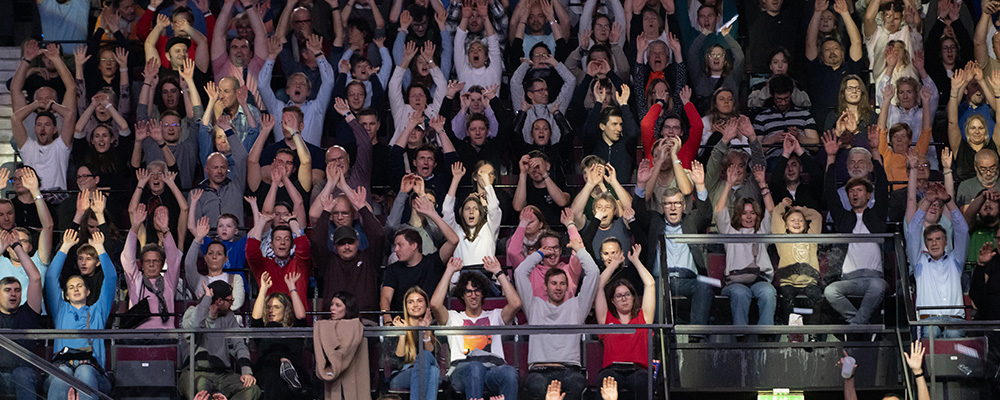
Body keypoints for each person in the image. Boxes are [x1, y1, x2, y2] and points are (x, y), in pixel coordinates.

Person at [516, 236, 599, 400]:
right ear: (545, 287)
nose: (558, 288)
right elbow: (520, 273)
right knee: (536, 387)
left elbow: (594, 272)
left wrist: (580, 250)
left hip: (569, 370)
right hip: (539, 371)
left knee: (576, 385)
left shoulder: (577, 306)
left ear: (568, 286)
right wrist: (540, 253)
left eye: (562, 283)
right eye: (554, 283)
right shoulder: (534, 306)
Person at [821, 131, 890, 325]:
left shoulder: (876, 215)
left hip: (874, 278)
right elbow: (829, 192)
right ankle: (862, 325)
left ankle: (856, 326)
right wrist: (831, 157)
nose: (854, 194)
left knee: (878, 286)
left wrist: (875, 151)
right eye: (851, 191)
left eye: (859, 190)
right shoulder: (844, 219)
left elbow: (883, 186)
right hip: (849, 279)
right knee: (830, 291)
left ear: (868, 195)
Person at [429, 256, 521, 400]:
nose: (473, 295)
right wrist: (449, 271)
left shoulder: (494, 316)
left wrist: (498, 272)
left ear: (483, 293)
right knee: (475, 367)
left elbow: (516, 304)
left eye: (477, 291)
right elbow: (434, 304)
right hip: (462, 371)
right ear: (462, 295)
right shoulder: (453, 317)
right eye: (469, 292)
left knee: (509, 371)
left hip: (492, 370)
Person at [44, 229, 115, 400]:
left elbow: (111, 278)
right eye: (71, 287)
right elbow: (51, 277)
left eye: (79, 286)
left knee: (84, 371)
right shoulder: (61, 309)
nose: (76, 289)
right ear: (66, 295)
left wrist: (100, 249)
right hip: (62, 366)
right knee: (63, 373)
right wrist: (65, 246)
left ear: (88, 291)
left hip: (93, 372)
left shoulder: (98, 310)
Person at [381, 195, 460, 320]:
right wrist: (388, 323)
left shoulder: (433, 262)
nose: (395, 249)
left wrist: (431, 213)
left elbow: (454, 240)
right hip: (402, 325)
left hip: (432, 323)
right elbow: (385, 298)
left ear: (414, 245)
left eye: (400, 245)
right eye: (395, 245)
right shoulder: (393, 269)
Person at [716, 164, 776, 327]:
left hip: (760, 280)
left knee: (768, 293)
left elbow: (771, 212)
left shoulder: (762, 231)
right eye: (744, 213)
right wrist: (728, 184)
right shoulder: (730, 231)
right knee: (741, 294)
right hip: (736, 282)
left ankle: (765, 336)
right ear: (738, 215)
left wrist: (763, 185)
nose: (748, 217)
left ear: (757, 216)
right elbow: (720, 212)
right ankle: (741, 337)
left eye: (752, 213)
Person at [179, 280, 260, 400]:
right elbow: (195, 326)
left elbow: (239, 344)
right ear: (219, 301)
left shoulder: (229, 317)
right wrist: (207, 299)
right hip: (195, 372)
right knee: (202, 389)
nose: (232, 304)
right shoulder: (192, 312)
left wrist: (246, 371)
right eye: (230, 300)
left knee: (252, 389)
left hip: (222, 374)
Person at [311, 188, 385, 317]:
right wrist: (326, 212)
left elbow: (378, 235)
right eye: (341, 243)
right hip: (333, 323)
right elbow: (316, 241)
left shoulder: (369, 259)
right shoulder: (329, 262)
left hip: (365, 322)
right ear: (335, 247)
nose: (346, 247)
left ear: (357, 243)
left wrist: (362, 208)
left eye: (350, 242)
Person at [594, 244, 654, 400]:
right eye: (619, 296)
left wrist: (635, 261)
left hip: (638, 370)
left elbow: (650, 284)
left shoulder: (644, 317)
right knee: (604, 381)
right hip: (612, 370)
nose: (624, 298)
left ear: (633, 297)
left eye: (627, 294)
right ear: (612, 301)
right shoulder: (607, 319)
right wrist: (614, 264)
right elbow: (598, 285)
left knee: (642, 382)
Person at [910, 185, 968, 339]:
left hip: (954, 320)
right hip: (929, 320)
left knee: (953, 332)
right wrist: (927, 201)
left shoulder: (956, 260)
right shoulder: (918, 262)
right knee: (932, 332)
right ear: (926, 244)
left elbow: (962, 230)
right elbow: (913, 230)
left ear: (946, 242)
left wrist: (948, 201)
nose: (934, 243)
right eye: (930, 240)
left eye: (938, 239)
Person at [250, 271, 311, 398]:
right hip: (267, 370)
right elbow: (256, 318)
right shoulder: (262, 331)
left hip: (294, 369)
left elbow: (301, 316)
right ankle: (284, 364)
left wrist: (292, 287)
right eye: (268, 307)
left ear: (286, 310)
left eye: (277, 307)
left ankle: (288, 370)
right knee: (272, 375)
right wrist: (263, 289)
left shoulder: (294, 330)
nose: (271, 311)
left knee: (285, 380)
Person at [122, 204, 182, 329]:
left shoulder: (169, 281)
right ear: (142, 265)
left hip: (166, 336)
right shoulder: (135, 280)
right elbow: (127, 258)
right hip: (139, 336)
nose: (151, 264)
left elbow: (174, 260)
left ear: (162, 264)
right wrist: (135, 227)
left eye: (156, 261)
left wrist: (165, 230)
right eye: (147, 261)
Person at [0, 230, 43, 400]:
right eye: (8, 290)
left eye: (17, 290)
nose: (13, 294)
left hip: (24, 374)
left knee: (22, 374)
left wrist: (17, 247)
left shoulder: (28, 312)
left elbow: (35, 279)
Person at [246, 204, 311, 309]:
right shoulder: (264, 266)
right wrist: (262, 221)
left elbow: (304, 248)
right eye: (278, 239)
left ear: (292, 245)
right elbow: (251, 252)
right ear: (271, 245)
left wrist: (293, 222)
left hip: (297, 321)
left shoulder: (299, 265)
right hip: (270, 320)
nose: (282, 243)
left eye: (286, 239)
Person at [771, 198, 824, 325]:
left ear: (805, 224)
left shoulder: (812, 236)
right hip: (788, 283)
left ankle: (813, 333)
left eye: (801, 220)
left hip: (809, 282)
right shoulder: (782, 237)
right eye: (792, 220)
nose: (797, 223)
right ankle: (794, 332)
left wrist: (800, 210)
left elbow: (817, 216)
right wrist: (783, 205)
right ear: (786, 225)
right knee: (788, 300)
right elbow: (775, 215)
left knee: (817, 298)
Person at [386, 287, 441, 399]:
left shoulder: (434, 328)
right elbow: (397, 363)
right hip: (402, 375)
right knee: (431, 369)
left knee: (433, 369)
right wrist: (403, 333)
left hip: (429, 370)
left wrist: (426, 334)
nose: (415, 305)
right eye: (410, 302)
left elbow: (434, 358)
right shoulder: (396, 326)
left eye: (419, 301)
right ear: (406, 306)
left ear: (426, 305)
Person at [313, 291, 370, 399]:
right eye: (331, 304)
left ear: (348, 307)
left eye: (338, 305)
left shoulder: (359, 328)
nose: (332, 308)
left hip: (352, 381)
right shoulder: (324, 327)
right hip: (331, 384)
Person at [186, 216, 246, 310]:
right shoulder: (199, 280)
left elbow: (237, 303)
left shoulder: (235, 279)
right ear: (205, 258)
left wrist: (212, 309)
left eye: (219, 254)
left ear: (225, 259)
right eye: (210, 253)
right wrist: (198, 239)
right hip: (204, 323)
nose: (214, 257)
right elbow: (189, 265)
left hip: (230, 323)